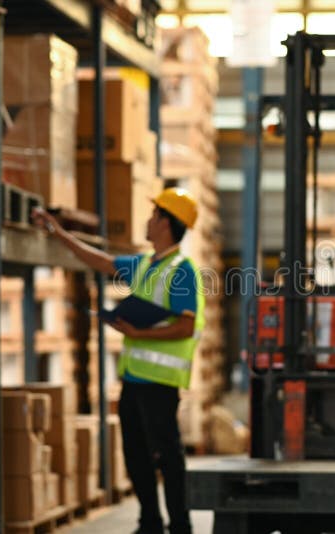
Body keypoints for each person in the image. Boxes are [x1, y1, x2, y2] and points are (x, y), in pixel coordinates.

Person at [34, 187, 203, 534]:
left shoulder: (182, 271)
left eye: (155, 215)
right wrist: (58, 232)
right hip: (134, 379)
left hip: (161, 383)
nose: (148, 220)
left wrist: (140, 334)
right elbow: (99, 260)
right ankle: (150, 522)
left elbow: (186, 327)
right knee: (136, 454)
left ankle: (181, 526)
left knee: (168, 457)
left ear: (167, 224)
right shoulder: (143, 265)